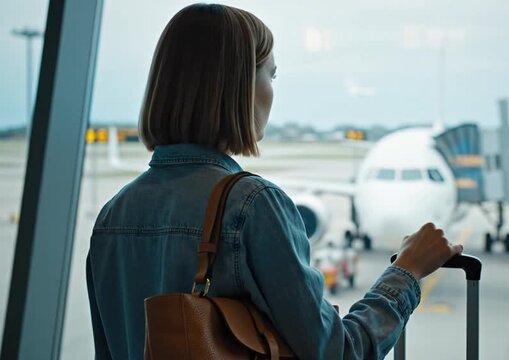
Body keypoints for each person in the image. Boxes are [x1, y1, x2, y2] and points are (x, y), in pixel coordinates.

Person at [85, 3, 463, 359]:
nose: (272, 91)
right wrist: (406, 272)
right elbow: (339, 352)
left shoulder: (112, 215)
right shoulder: (250, 204)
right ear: (237, 88)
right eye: (271, 74)